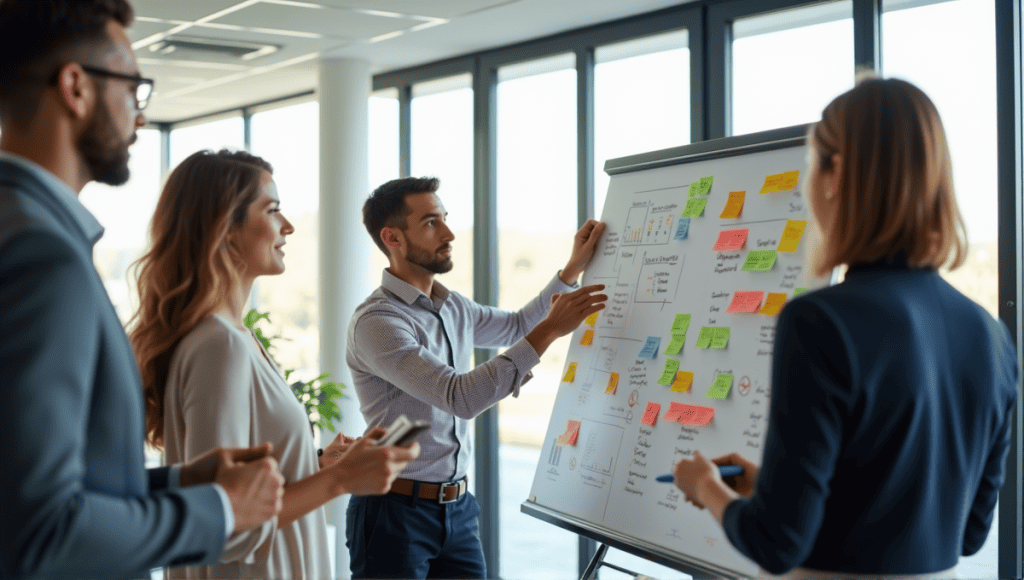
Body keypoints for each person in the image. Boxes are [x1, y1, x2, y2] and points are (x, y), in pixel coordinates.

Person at [672, 77, 1019, 578]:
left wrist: (705, 486)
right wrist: (775, 488)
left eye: (812, 164)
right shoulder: (992, 337)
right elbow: (968, 534)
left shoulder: (819, 322)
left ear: (835, 177)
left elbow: (776, 544)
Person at [0, 1, 287, 577]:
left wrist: (180, 481)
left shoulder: (21, 227)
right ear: (76, 88)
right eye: (134, 88)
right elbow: (38, 533)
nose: (140, 116)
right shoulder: (43, 258)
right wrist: (222, 508)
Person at [130, 149, 421, 579]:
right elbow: (224, 521)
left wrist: (315, 463)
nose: (288, 226)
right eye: (272, 210)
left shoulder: (234, 336)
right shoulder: (219, 344)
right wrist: (341, 480)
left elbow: (239, 487)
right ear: (224, 230)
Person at [345, 176, 608, 578]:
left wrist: (571, 269)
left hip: (458, 509)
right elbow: (459, 396)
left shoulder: (452, 307)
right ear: (392, 238)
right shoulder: (378, 322)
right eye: (431, 222)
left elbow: (517, 325)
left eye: (445, 219)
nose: (449, 233)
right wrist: (551, 330)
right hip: (392, 512)